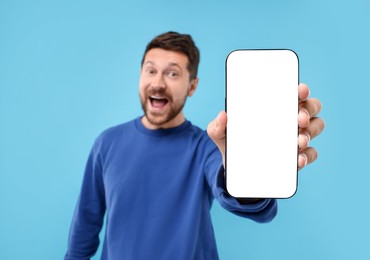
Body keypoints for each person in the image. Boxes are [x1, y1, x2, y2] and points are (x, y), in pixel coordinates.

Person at [64, 31, 325, 260]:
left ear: (192, 86)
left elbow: (252, 205)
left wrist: (251, 166)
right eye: (150, 70)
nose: (157, 82)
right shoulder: (107, 143)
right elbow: (84, 230)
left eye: (173, 73)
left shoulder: (206, 147)